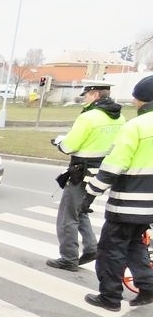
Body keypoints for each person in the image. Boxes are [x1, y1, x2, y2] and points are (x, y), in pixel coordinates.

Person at [78, 75, 153, 311]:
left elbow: (113, 167)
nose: (132, 100)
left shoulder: (137, 126)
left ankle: (109, 297)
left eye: (135, 96)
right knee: (135, 245)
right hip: (149, 207)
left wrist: (90, 194)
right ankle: (148, 287)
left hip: (126, 203)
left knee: (111, 250)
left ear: (143, 99)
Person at [47, 81, 125, 271]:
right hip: (103, 174)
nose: (85, 98)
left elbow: (69, 146)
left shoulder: (89, 117)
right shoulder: (120, 118)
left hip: (81, 173)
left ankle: (68, 258)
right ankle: (91, 248)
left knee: (67, 216)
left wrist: (60, 142)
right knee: (81, 210)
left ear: (95, 95)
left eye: (87, 95)